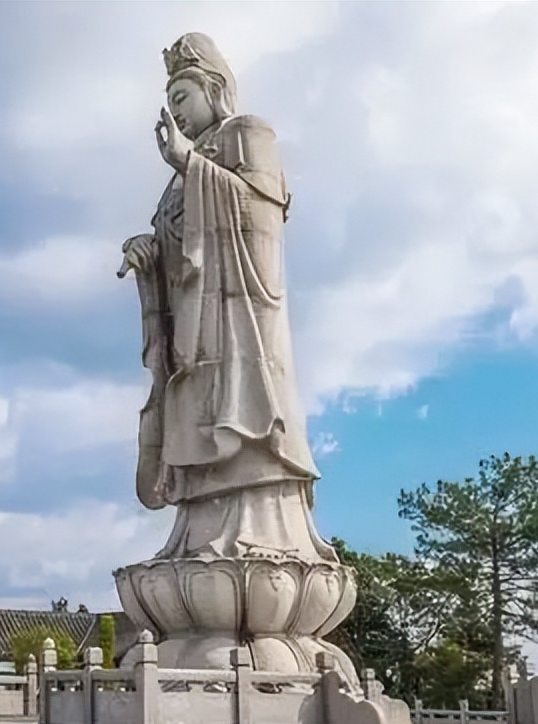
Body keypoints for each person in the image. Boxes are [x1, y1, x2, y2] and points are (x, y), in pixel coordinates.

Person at [119, 32, 336, 567]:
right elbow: (183, 258)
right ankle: (196, 532)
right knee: (195, 405)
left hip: (242, 326)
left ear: (214, 90)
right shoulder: (181, 175)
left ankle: (264, 529)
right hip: (196, 331)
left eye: (183, 99)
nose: (179, 116)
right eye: (170, 105)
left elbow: (260, 222)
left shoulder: (247, 135)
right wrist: (150, 252)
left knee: (241, 405)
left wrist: (191, 166)